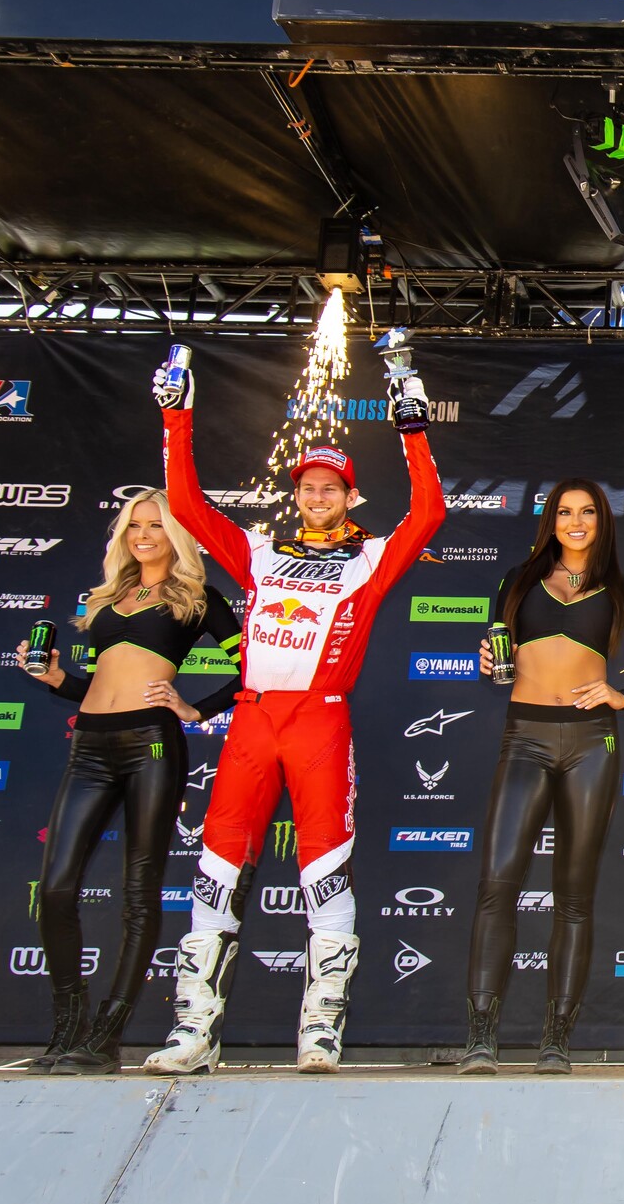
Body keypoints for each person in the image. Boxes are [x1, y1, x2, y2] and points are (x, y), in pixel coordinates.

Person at [144, 343, 446, 1074]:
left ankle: (320, 1032)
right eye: (306, 488)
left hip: (319, 719)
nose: (316, 498)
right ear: (297, 494)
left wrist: (413, 423)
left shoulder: (371, 558)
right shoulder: (259, 552)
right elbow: (184, 506)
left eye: (329, 488)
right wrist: (175, 416)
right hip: (251, 720)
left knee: (325, 872)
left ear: (349, 496)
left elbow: (429, 511)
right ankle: (192, 1033)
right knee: (216, 867)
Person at [14, 491, 241, 1074]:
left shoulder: (199, 598)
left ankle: (106, 1035)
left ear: (175, 534)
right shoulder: (108, 598)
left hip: (153, 745)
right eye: (134, 525)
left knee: (139, 893)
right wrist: (57, 676)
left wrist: (197, 709)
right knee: (58, 887)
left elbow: (249, 670)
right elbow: (94, 684)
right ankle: (68, 1025)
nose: (144, 535)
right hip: (88, 744)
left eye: (156, 526)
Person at [458, 480, 624, 1075]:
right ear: (549, 521)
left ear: (603, 522)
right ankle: (481, 1038)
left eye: (586, 513)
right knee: (497, 884)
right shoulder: (517, 580)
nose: (575, 522)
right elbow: (497, 652)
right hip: (523, 736)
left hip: (590, 743)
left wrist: (620, 696)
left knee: (573, 897)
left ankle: (557, 1040)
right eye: (564, 513)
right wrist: (487, 661)